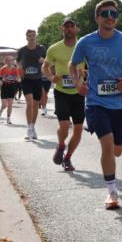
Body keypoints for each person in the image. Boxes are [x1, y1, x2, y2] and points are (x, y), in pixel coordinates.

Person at [70, 1, 122, 207]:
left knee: (117, 150)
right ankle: (112, 192)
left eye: (114, 13)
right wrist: (77, 83)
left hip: (120, 106)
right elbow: (72, 64)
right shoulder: (86, 42)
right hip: (96, 103)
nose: (110, 17)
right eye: (105, 14)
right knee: (107, 144)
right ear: (97, 18)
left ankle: (111, 167)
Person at [43, 18, 86, 168]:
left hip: (78, 92)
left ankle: (67, 157)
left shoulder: (83, 46)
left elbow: (92, 64)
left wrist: (86, 74)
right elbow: (45, 67)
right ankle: (61, 145)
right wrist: (51, 77)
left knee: (79, 129)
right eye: (66, 27)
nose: (69, 29)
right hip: (61, 91)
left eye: (71, 26)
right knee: (65, 125)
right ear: (62, 29)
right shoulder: (54, 48)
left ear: (76, 29)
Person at [17, 30, 48, 139]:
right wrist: (20, 69)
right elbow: (18, 62)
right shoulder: (22, 50)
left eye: (33, 35)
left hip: (38, 79)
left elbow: (48, 61)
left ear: (36, 37)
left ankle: (32, 127)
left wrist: (43, 60)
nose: (31, 37)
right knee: (29, 103)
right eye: (29, 36)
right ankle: (29, 127)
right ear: (26, 38)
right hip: (27, 80)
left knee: (35, 105)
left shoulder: (41, 49)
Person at [0, 55, 22, 123]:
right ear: (6, 61)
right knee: (4, 105)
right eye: (8, 60)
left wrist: (19, 79)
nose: (10, 62)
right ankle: (1, 111)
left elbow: (18, 77)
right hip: (4, 86)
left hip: (12, 86)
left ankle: (8, 118)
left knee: (10, 104)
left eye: (11, 60)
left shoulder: (15, 69)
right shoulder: (3, 68)